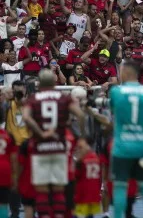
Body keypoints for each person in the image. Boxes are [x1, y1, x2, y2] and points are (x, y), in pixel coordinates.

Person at [21, 69, 87, 218]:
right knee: (58, 190)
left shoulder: (33, 99)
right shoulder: (63, 98)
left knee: (42, 191)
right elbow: (81, 115)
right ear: (53, 81)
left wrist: (40, 132)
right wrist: (82, 138)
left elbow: (26, 118)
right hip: (59, 147)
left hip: (40, 147)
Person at [108, 61, 143, 218]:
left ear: (127, 72)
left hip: (122, 147)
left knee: (120, 187)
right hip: (142, 146)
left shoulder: (116, 92)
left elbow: (113, 111)